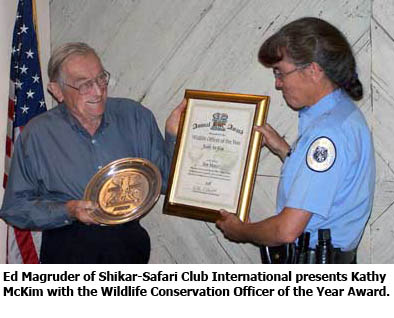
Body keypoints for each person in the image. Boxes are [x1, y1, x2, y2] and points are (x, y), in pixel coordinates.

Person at [0, 42, 185, 264]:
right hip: (68, 251)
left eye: (100, 79)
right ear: (57, 91)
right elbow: (14, 209)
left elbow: (165, 181)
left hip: (129, 247)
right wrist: (68, 210)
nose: (98, 91)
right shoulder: (37, 135)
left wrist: (174, 135)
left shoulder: (135, 116)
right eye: (84, 84)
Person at [216, 17, 375, 263]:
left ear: (312, 70)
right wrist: (285, 152)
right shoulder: (343, 115)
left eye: (281, 73)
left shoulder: (327, 135)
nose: (278, 84)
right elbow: (328, 185)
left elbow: (286, 230)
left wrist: (240, 230)